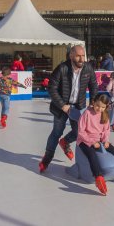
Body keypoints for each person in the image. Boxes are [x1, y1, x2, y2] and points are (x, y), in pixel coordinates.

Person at [39, 45, 98, 173]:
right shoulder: (62, 68)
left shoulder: (88, 68)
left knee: (79, 133)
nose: (81, 59)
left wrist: (93, 102)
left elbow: (94, 85)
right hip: (61, 107)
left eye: (83, 56)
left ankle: (65, 142)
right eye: (78, 56)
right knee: (56, 132)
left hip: (78, 106)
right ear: (71, 55)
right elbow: (52, 88)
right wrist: (62, 105)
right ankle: (46, 159)